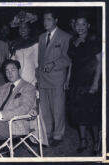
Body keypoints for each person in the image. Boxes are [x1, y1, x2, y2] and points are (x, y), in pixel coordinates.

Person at [10, 11, 48, 145]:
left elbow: (39, 63)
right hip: (20, 83)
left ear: (29, 29)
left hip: (33, 80)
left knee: (34, 109)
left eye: (25, 27)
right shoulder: (14, 45)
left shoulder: (36, 43)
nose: (23, 30)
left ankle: (37, 138)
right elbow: (12, 64)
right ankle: (21, 135)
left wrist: (37, 81)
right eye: (20, 28)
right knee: (20, 108)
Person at [67, 15, 102, 155]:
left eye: (83, 24)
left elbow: (100, 62)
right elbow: (71, 62)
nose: (80, 27)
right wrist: (67, 78)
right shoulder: (72, 40)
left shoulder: (94, 40)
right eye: (77, 24)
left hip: (89, 80)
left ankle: (96, 142)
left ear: (88, 25)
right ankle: (83, 140)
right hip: (76, 81)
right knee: (77, 112)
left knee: (91, 113)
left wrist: (95, 82)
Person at [38, 9, 72, 146]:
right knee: (44, 109)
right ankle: (47, 135)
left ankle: (58, 136)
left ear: (56, 20)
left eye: (49, 19)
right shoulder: (41, 37)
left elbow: (68, 58)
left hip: (57, 78)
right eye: (44, 19)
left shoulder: (65, 37)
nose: (45, 22)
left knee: (58, 109)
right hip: (42, 78)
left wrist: (54, 64)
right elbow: (40, 59)